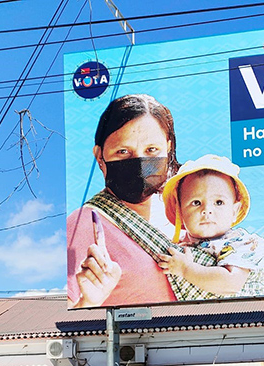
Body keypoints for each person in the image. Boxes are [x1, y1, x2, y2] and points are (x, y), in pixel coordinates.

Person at [66, 93, 190, 308]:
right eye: (123, 151)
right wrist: (88, 303)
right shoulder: (83, 224)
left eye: (152, 150)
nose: (140, 163)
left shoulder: (187, 212)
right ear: (100, 157)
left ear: (168, 149)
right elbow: (58, 328)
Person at [157, 154, 264, 299]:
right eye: (196, 202)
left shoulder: (240, 243)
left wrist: (185, 269)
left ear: (235, 211)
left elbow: (231, 284)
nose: (207, 210)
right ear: (180, 211)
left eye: (219, 202)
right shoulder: (178, 246)